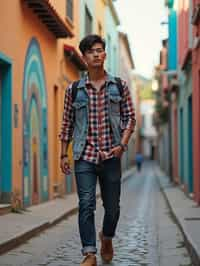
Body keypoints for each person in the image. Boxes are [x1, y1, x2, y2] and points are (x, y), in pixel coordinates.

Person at [59, 34, 136, 266]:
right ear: (84, 57)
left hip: (111, 155)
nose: (96, 54)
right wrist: (64, 153)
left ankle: (107, 238)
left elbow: (130, 118)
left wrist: (122, 145)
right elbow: (67, 123)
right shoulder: (74, 90)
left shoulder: (119, 86)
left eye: (100, 50)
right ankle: (90, 253)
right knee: (86, 203)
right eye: (91, 51)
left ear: (104, 55)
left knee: (112, 208)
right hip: (85, 155)